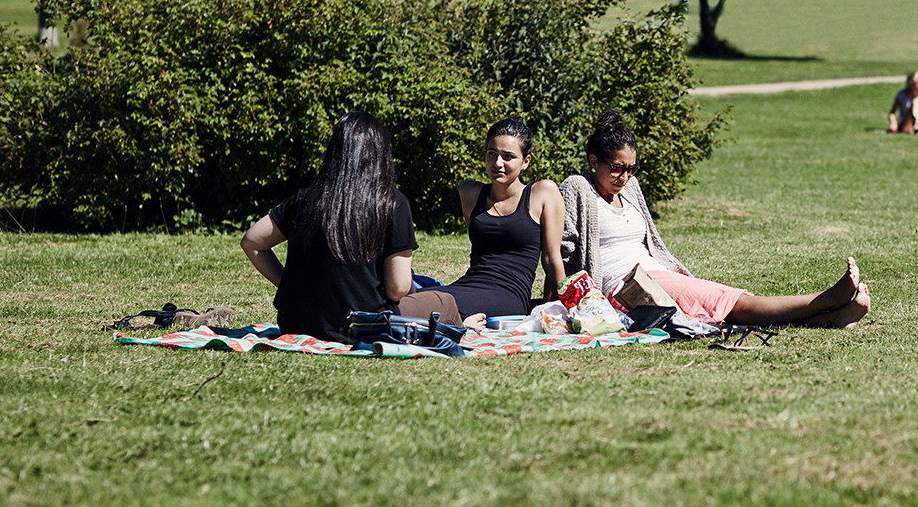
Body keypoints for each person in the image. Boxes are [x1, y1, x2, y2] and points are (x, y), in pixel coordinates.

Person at [559, 109, 869, 327]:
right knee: (734, 303)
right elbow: (562, 250)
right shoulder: (578, 188)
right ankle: (824, 299)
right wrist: (566, 302)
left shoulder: (631, 188)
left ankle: (832, 318)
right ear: (593, 160)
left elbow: (650, 241)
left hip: (656, 275)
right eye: (616, 168)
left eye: (630, 169)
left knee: (725, 310)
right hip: (624, 287)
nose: (624, 177)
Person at [241, 111, 465, 341]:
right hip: (363, 325)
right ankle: (468, 331)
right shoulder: (392, 202)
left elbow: (252, 242)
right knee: (444, 302)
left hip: (296, 323)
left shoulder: (305, 198)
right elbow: (397, 288)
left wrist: (289, 285)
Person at [437, 116, 564, 321]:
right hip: (468, 285)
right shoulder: (470, 193)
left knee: (434, 307)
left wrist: (564, 310)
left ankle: (457, 323)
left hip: (510, 295)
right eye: (492, 154)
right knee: (409, 300)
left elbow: (552, 259)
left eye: (508, 156)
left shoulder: (542, 193)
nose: (498, 163)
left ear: (526, 161)